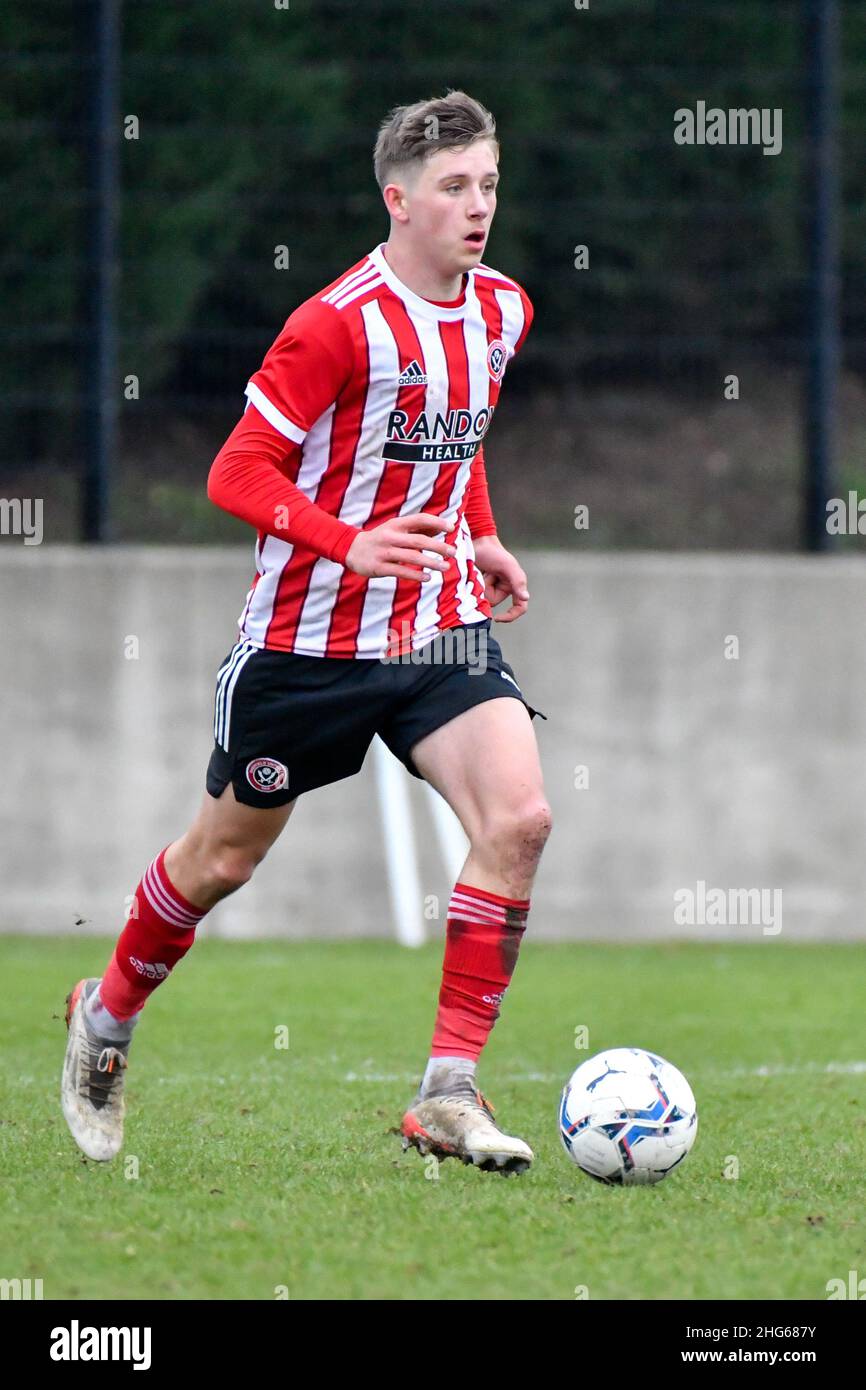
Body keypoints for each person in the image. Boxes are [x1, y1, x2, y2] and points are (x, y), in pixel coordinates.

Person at [61, 89, 553, 1175]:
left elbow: (452, 440)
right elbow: (233, 470)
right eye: (453, 189)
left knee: (517, 817)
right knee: (220, 861)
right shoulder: (335, 323)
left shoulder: (503, 309)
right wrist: (347, 542)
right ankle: (105, 1015)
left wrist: (481, 535)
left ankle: (447, 1093)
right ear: (397, 199)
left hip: (436, 629)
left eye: (488, 186)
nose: (477, 208)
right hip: (306, 646)